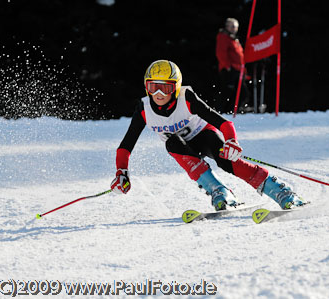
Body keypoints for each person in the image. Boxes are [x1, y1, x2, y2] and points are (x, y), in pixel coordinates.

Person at [110, 60, 305, 211]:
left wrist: (231, 141)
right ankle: (219, 190)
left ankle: (280, 192)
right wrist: (122, 172)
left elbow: (223, 122)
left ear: (176, 88)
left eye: (166, 87)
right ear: (147, 87)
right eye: (154, 87)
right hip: (183, 149)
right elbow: (126, 145)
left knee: (227, 161)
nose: (159, 93)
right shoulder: (144, 109)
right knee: (172, 143)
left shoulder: (186, 98)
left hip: (205, 137)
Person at [215, 18, 253, 114]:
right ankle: (218, 112)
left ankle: (234, 110)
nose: (234, 29)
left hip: (237, 70)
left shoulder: (233, 38)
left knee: (242, 92)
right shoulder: (223, 37)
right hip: (229, 70)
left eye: (235, 27)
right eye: (232, 26)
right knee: (227, 92)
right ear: (227, 26)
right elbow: (221, 53)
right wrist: (227, 66)